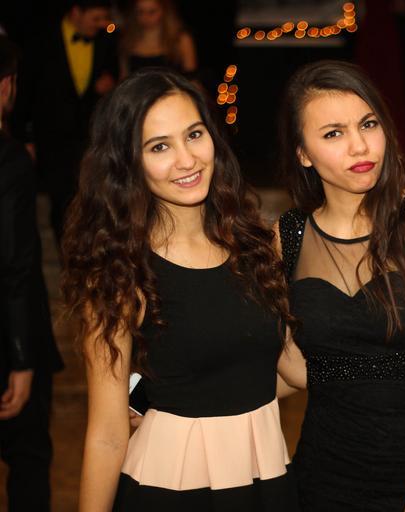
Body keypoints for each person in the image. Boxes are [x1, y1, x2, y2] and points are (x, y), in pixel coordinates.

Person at [61, 68, 298, 511]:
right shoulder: (122, 273)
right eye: (159, 147)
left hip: (264, 477)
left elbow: (280, 372)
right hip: (168, 490)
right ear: (127, 163)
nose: (186, 160)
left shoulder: (256, 246)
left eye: (194, 134)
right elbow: (108, 434)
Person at [275, 60, 405, 511]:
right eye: (333, 133)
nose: (359, 145)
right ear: (303, 153)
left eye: (368, 124)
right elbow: (289, 366)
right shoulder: (290, 235)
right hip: (325, 478)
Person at [0, 34, 64, 512]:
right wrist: (22, 360)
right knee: (28, 460)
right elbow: (16, 264)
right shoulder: (9, 161)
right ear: (6, 86)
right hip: (9, 340)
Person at [11, 0, 117, 248]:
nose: (102, 24)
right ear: (76, 12)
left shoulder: (106, 40)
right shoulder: (41, 41)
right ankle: (67, 257)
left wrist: (109, 86)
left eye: (104, 18)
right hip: (52, 141)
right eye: (96, 18)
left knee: (94, 203)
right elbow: (24, 94)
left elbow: (111, 79)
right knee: (61, 205)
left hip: (91, 139)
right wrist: (24, 137)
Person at [118, 0, 197, 79]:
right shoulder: (128, 41)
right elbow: (124, 78)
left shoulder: (180, 40)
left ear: (165, 11)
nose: (145, 17)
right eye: (140, 12)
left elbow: (191, 78)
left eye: (152, 12)